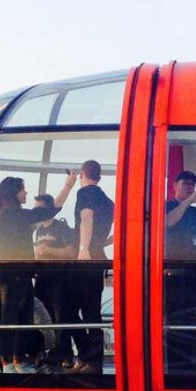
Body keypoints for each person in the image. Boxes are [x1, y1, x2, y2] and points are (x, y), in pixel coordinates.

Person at [0, 175, 73, 373]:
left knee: (20, 318)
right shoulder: (13, 214)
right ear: (14, 193)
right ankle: (9, 362)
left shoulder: (1, 214)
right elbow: (52, 210)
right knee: (12, 318)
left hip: (15, 274)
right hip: (13, 275)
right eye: (22, 189)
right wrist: (69, 184)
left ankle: (13, 361)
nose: (25, 193)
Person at [164, 170, 196, 372]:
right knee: (175, 320)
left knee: (190, 318)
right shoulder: (168, 206)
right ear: (174, 185)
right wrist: (188, 201)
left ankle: (188, 364)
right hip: (172, 275)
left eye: (193, 185)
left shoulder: (194, 213)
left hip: (191, 274)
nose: (190, 188)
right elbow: (168, 222)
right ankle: (175, 366)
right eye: (186, 184)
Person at [71, 159, 115, 374]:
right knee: (92, 310)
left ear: (82, 174)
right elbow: (117, 229)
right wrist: (100, 243)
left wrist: (83, 247)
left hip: (86, 258)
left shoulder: (85, 193)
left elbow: (86, 218)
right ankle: (89, 358)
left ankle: (89, 358)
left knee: (71, 308)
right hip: (98, 255)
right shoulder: (107, 201)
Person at [31, 194, 78, 368]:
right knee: (44, 317)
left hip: (59, 279)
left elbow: (71, 252)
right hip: (42, 278)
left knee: (60, 316)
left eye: (38, 208)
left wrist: (48, 250)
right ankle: (48, 350)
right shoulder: (38, 230)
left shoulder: (61, 228)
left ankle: (65, 353)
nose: (36, 212)